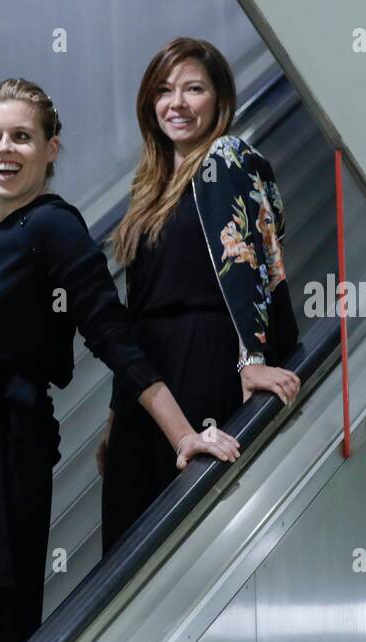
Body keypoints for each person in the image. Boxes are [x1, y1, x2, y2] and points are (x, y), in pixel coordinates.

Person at [0, 78, 240, 642]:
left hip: (2, 459)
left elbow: (113, 333)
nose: (5, 149)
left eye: (22, 137)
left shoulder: (55, 228)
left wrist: (182, 433)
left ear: (50, 147)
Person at [99, 38, 301, 553]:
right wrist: (119, 410)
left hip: (206, 360)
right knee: (128, 542)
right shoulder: (150, 183)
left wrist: (253, 358)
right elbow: (135, 305)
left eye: (194, 89)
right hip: (149, 378)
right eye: (165, 91)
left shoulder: (228, 157)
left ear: (219, 99)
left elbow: (252, 262)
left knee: (187, 535)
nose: (178, 103)